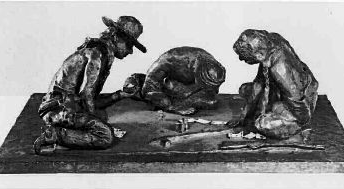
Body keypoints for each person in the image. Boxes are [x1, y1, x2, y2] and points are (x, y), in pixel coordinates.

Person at [33, 16, 146, 154]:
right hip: (56, 110)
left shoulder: (101, 51)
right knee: (105, 136)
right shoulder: (96, 54)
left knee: (102, 115)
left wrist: (121, 95)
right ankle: (54, 135)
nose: (130, 51)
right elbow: (87, 96)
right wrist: (97, 123)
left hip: (65, 106)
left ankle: (67, 133)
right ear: (116, 37)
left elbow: (88, 99)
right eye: (129, 44)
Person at [230, 29, 319, 139]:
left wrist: (299, 122)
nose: (241, 59)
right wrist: (244, 117)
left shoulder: (280, 70)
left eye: (244, 57)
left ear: (259, 55)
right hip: (283, 90)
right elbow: (259, 84)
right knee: (245, 89)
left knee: (262, 124)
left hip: (301, 101)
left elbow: (298, 101)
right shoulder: (271, 41)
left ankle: (290, 123)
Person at [124, 47, 226, 115]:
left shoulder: (211, 64)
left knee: (212, 101)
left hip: (186, 90)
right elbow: (149, 86)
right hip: (166, 88)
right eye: (203, 83)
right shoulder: (172, 58)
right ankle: (136, 82)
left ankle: (181, 101)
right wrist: (171, 107)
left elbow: (212, 92)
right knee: (161, 100)